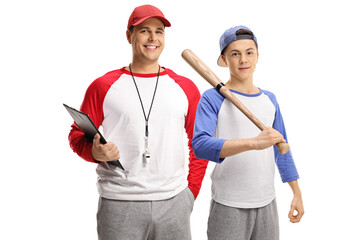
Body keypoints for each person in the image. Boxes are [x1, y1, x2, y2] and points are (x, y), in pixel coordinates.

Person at [68, 5, 208, 240]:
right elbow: (76, 135)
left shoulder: (185, 87)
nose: (153, 38)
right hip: (119, 203)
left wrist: (190, 193)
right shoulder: (103, 86)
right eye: (144, 30)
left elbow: (200, 143)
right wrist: (95, 152)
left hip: (173, 202)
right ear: (129, 35)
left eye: (159, 31)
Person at [192, 25, 304, 240]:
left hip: (267, 203)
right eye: (235, 53)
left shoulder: (269, 99)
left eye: (249, 52)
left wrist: (296, 192)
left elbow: (282, 147)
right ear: (224, 59)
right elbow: (201, 146)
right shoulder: (212, 98)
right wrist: (253, 143)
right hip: (228, 204)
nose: (243, 60)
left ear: (257, 56)